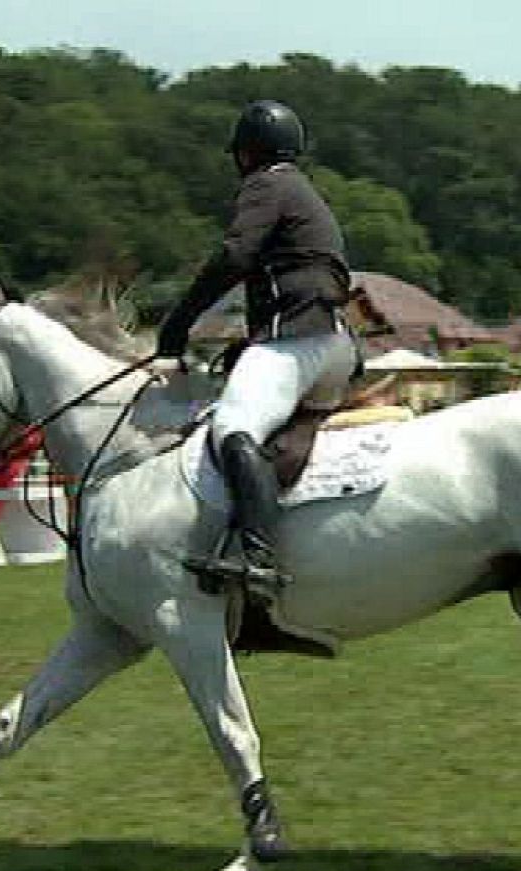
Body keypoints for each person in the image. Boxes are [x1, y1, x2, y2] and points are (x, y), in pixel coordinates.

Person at [154, 99, 358, 603]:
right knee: (276, 436)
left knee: (232, 428)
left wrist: (178, 323)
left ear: (248, 153)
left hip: (300, 341)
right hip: (334, 344)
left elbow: (236, 254)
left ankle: (256, 555)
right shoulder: (304, 190)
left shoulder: (267, 183)